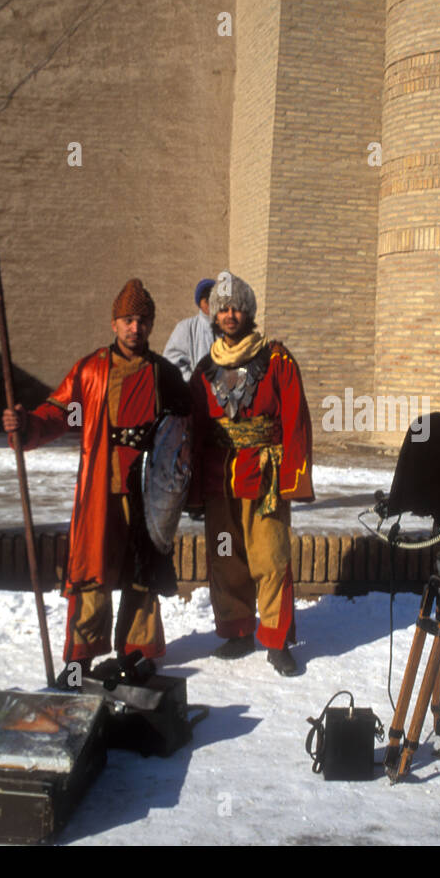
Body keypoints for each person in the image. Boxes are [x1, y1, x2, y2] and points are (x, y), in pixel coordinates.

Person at [2, 278, 189, 679]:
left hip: (146, 491)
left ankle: (137, 653)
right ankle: (80, 657)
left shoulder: (166, 376)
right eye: (127, 320)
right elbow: (57, 412)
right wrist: (26, 425)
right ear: (113, 323)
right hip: (100, 487)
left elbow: (183, 435)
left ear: (151, 325)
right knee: (92, 571)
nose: (134, 328)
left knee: (142, 572)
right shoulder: (91, 370)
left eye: (142, 320)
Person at [188, 272, 313, 676]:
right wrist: (191, 488)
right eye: (222, 307)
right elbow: (192, 428)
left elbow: (295, 419)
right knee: (226, 557)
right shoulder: (205, 368)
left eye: (236, 306)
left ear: (249, 311)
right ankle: (238, 629)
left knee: (271, 558)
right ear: (213, 313)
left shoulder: (276, 359)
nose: (229, 313)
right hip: (219, 479)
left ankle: (277, 639)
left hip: (265, 478)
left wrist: (295, 478)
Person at [163, 278, 217, 382]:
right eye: (207, 301)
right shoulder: (185, 328)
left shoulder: (227, 328)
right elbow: (171, 362)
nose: (211, 305)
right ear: (199, 303)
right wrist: (193, 383)